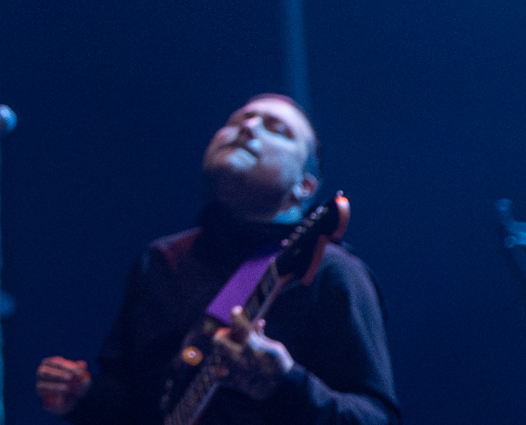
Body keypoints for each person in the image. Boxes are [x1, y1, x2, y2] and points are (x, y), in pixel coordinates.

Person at [36, 95, 400, 425]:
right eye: (237, 119)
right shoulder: (161, 261)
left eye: (277, 129)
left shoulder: (331, 272)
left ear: (303, 187)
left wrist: (287, 385)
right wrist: (83, 398)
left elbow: (375, 418)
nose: (248, 126)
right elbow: (130, 407)